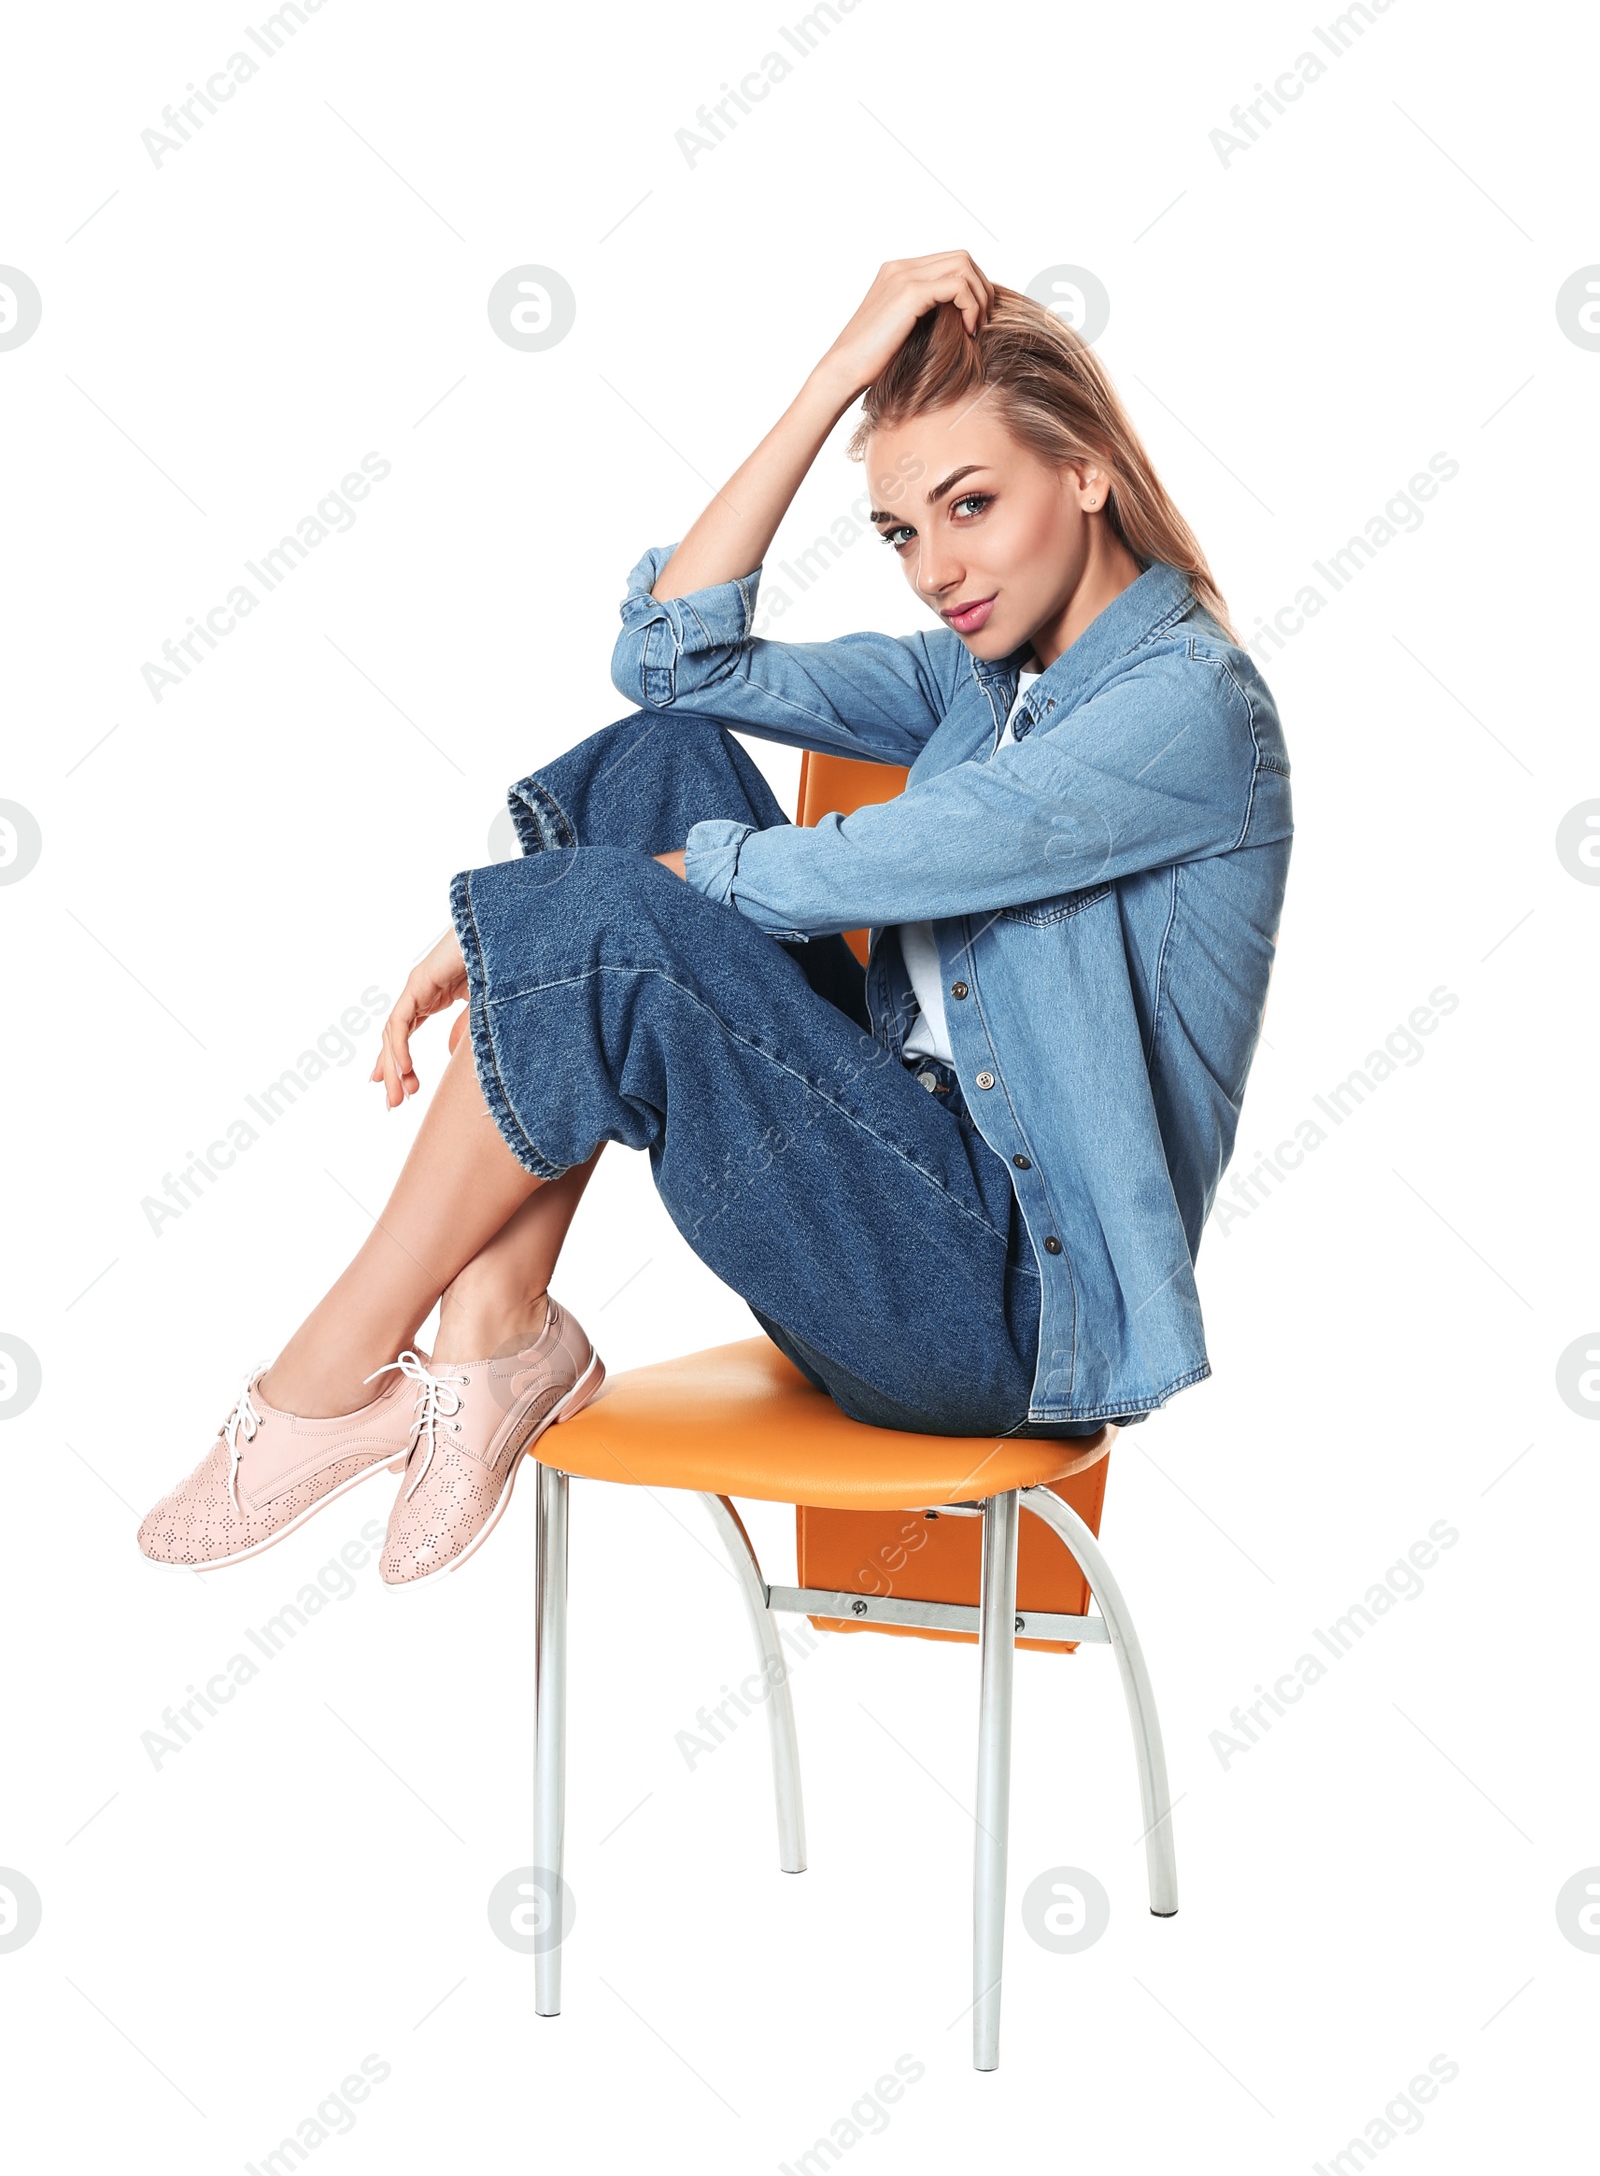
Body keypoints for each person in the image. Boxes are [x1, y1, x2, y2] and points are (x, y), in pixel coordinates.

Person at [136, 252, 1292, 1590]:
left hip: (1000, 1318)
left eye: (971, 504)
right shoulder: (977, 685)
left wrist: (545, 918)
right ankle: (496, 1329)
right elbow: (673, 659)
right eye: (903, 532)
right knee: (657, 760)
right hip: (883, 1222)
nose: (936, 570)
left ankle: (320, 1384)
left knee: (622, 919)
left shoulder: (1193, 709)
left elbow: (904, 857)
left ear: (1086, 470)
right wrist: (834, 379)